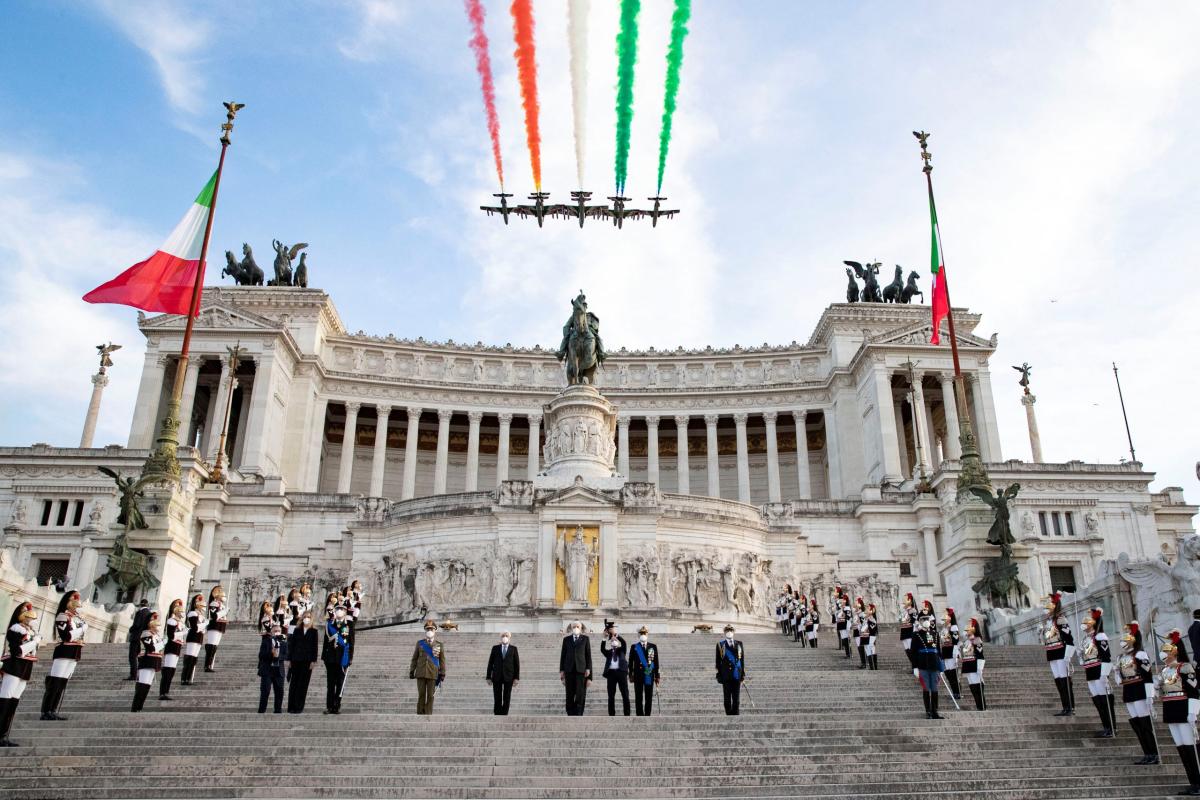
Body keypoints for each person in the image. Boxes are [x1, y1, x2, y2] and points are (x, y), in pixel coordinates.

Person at [1157, 630, 1200, 795]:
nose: (1163, 653)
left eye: (1166, 650)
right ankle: (1193, 782)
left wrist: (1193, 712)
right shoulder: (1165, 670)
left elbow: (1194, 691)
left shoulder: (1185, 667)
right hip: (1170, 709)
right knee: (1181, 747)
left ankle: (1198, 781)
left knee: (1190, 747)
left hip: (1183, 708)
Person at [41, 589, 87, 721]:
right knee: (55, 681)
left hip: (74, 652)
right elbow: (67, 636)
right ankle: (46, 710)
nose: (76, 608)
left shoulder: (76, 619)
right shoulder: (62, 616)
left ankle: (53, 710)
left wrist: (81, 627)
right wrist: (82, 628)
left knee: (62, 682)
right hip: (64, 651)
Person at [0, 602, 41, 747]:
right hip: (14, 665)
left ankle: (4, 734)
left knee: (13, 702)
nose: (30, 618)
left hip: (25, 667)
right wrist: (34, 642)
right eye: (26, 614)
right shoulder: (15, 629)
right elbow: (17, 651)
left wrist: (35, 638)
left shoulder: (29, 631)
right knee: (5, 699)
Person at [1118, 622, 1158, 765]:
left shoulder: (1140, 654)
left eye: (1125, 639)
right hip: (1128, 690)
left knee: (1145, 723)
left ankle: (1153, 752)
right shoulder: (1122, 656)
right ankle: (1146, 752)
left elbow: (1147, 674)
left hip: (1140, 690)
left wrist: (1150, 695)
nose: (1122, 642)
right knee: (1136, 724)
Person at [1078, 607, 1115, 737]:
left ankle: (1111, 727)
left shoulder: (1100, 636)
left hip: (1099, 670)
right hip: (1089, 670)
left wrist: (1105, 674)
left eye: (1086, 622)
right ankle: (1105, 726)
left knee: (1105, 700)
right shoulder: (1084, 639)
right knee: (1097, 700)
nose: (1083, 625)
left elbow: (1106, 656)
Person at [1042, 592, 1075, 716]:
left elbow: (1069, 638)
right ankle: (1065, 706)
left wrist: (1068, 655)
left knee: (1064, 679)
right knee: (1058, 681)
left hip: (1061, 651)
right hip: (1051, 652)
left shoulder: (1060, 619)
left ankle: (1070, 707)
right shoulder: (1048, 622)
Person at [410, 619, 445, 715]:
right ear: (425, 630)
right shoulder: (420, 643)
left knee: (430, 695)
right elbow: (415, 658)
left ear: (435, 630)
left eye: (431, 629)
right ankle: (420, 712)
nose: (429, 630)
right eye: (428, 629)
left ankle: (428, 713)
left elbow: (442, 660)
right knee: (421, 694)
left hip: (432, 673)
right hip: (421, 672)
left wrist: (443, 672)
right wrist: (412, 670)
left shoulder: (439, 645)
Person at [912, 613, 944, 719]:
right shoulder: (916, 635)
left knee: (934, 688)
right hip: (923, 663)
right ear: (920, 622)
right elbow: (913, 652)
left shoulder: (935, 634)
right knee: (926, 688)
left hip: (934, 663)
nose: (926, 621)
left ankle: (935, 711)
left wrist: (941, 666)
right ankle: (928, 711)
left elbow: (939, 651)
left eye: (927, 619)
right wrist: (915, 667)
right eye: (923, 620)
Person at [131, 613, 163, 712]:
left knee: (147, 685)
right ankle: (136, 707)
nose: (158, 627)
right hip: (146, 660)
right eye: (156, 625)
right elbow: (151, 648)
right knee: (142, 684)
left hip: (154, 661)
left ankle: (140, 706)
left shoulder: (156, 635)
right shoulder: (146, 634)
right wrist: (161, 644)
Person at [287, 610, 319, 713]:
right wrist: (289, 659)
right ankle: (291, 706)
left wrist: (313, 661)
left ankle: (299, 707)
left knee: (303, 684)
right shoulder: (297, 630)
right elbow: (291, 645)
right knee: (294, 684)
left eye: (309, 617)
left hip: (307, 661)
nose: (306, 618)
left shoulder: (314, 631)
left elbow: (315, 647)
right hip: (296, 659)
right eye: (305, 616)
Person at [559, 620, 591, 716]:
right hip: (569, 669)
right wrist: (561, 670)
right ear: (571, 628)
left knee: (580, 693)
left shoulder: (585, 639)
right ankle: (570, 712)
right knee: (569, 693)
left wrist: (588, 669)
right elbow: (563, 655)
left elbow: (588, 655)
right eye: (574, 626)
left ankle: (579, 712)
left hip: (581, 670)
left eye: (578, 626)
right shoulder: (566, 639)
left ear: (581, 628)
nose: (576, 628)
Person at [322, 606, 351, 714]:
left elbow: (350, 642)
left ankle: (336, 706)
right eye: (338, 609)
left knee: (340, 683)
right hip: (330, 658)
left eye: (342, 609)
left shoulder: (348, 625)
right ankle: (329, 706)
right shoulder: (330, 624)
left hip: (342, 658)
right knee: (330, 684)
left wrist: (350, 658)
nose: (340, 611)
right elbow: (326, 641)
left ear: (345, 612)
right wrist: (324, 657)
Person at [485, 630, 519, 716]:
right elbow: (490, 662)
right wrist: (488, 676)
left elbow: (516, 664)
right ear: (501, 637)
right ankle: (497, 713)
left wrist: (516, 678)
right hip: (497, 675)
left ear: (509, 638)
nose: (505, 637)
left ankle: (504, 713)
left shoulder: (514, 649)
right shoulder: (495, 648)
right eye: (503, 636)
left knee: (507, 696)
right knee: (497, 696)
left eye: (506, 636)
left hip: (509, 675)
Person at [629, 625, 660, 717]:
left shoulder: (653, 646)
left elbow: (656, 661)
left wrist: (657, 675)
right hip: (638, 674)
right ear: (639, 635)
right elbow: (630, 661)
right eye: (641, 633)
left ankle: (647, 714)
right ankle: (639, 714)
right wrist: (630, 674)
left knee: (648, 695)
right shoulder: (634, 646)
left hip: (648, 673)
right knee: (638, 695)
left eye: (645, 633)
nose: (643, 634)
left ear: (647, 634)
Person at [601, 621, 630, 716]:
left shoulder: (622, 650)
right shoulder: (608, 652)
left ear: (618, 642)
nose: (614, 641)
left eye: (615, 640)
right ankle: (611, 714)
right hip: (611, 674)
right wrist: (604, 638)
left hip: (621, 672)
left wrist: (615, 634)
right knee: (611, 695)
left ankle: (627, 713)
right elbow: (602, 649)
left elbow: (624, 642)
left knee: (625, 694)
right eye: (612, 640)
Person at [258, 622, 288, 714]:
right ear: (271, 632)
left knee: (279, 691)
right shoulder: (266, 641)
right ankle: (262, 710)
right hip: (267, 669)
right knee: (265, 691)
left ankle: (278, 710)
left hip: (279, 670)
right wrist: (271, 654)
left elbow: (286, 655)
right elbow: (261, 655)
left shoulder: (284, 643)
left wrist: (278, 656)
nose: (277, 632)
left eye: (279, 631)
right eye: (275, 631)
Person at [715, 624, 745, 715]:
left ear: (733, 632)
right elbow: (718, 662)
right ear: (724, 632)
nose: (729, 632)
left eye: (731, 630)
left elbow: (742, 660)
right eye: (727, 630)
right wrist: (719, 675)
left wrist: (742, 675)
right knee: (727, 699)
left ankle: (735, 716)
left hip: (736, 675)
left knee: (736, 699)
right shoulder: (720, 645)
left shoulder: (739, 644)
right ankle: (728, 715)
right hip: (726, 676)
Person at [160, 598, 186, 701]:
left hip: (177, 648)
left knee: (172, 671)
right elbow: (171, 635)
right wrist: (182, 633)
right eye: (181, 611)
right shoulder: (171, 621)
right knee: (168, 670)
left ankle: (166, 691)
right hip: (171, 647)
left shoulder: (180, 623)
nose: (183, 613)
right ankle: (163, 692)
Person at [959, 617, 987, 711]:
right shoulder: (966, 641)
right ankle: (978, 705)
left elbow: (980, 654)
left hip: (974, 665)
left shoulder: (977, 639)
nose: (966, 630)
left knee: (977, 686)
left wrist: (979, 667)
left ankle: (982, 706)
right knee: (972, 686)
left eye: (968, 628)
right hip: (967, 665)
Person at [181, 593, 207, 685]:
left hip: (199, 637)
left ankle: (190, 678)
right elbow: (195, 627)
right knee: (190, 657)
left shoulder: (201, 615)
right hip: (193, 636)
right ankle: (184, 678)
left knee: (194, 658)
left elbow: (202, 629)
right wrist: (204, 624)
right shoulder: (193, 613)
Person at [204, 585, 228, 673]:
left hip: (220, 626)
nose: (224, 598)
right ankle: (207, 665)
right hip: (214, 626)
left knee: (215, 646)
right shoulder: (214, 603)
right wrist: (224, 612)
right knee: (211, 645)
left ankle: (210, 664)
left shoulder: (221, 605)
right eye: (223, 596)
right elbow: (214, 616)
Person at [126, 599, 151, 680]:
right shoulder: (149, 613)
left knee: (132, 656)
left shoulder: (140, 612)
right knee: (139, 656)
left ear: (140, 605)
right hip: (144, 637)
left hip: (136, 637)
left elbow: (137, 624)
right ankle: (140, 673)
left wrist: (131, 629)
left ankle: (133, 674)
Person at [939, 608, 961, 698]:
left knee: (953, 673)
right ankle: (954, 691)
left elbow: (956, 640)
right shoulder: (943, 629)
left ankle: (957, 692)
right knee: (948, 673)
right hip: (945, 652)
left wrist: (955, 652)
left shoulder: (953, 627)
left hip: (952, 652)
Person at [899, 593, 917, 667]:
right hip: (904, 631)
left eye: (905, 599)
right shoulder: (903, 611)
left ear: (910, 600)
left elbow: (915, 621)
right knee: (907, 649)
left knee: (911, 648)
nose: (903, 601)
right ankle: (913, 664)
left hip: (910, 631)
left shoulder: (912, 610)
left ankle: (915, 666)